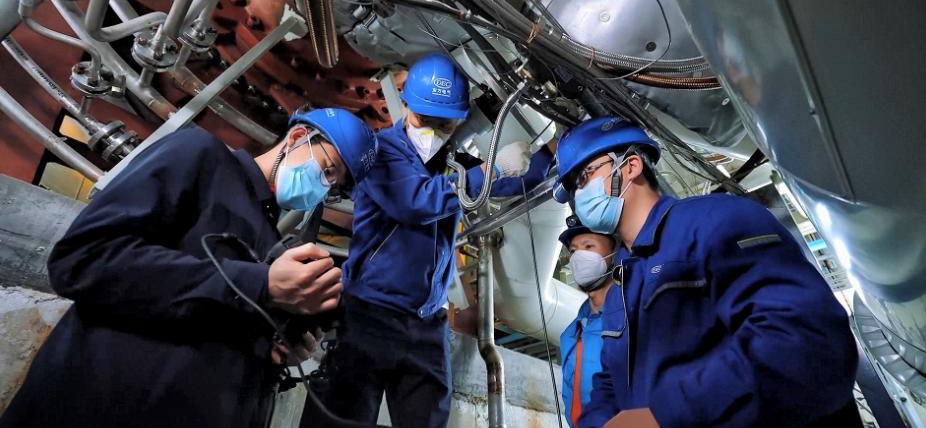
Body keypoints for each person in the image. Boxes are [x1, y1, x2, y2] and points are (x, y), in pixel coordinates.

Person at [0, 107, 378, 428]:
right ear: (297, 137)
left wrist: (273, 350)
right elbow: (83, 259)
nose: (324, 189)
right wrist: (260, 285)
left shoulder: (271, 245)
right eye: (328, 170)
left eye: (334, 188)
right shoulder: (200, 157)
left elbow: (204, 319)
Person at [551, 115, 861, 428]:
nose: (578, 196)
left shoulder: (716, 220)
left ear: (630, 167)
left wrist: (666, 416)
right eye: (573, 189)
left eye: (583, 178)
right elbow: (610, 381)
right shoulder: (622, 286)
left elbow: (806, 344)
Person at [306, 53, 555, 428]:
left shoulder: (451, 165)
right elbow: (417, 202)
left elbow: (513, 180)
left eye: (445, 124)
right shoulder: (378, 151)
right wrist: (492, 169)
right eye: (425, 120)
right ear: (406, 105)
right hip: (368, 314)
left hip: (426, 324)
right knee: (340, 420)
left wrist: (553, 150)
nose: (434, 132)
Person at [559, 215, 618, 427]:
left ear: (615, 254)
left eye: (589, 246)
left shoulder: (633, 318)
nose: (578, 257)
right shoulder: (570, 334)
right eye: (574, 251)